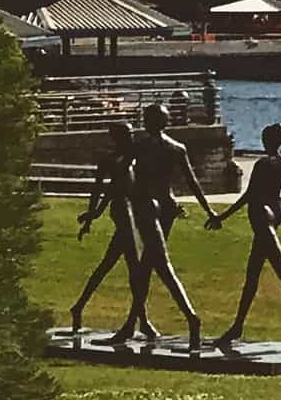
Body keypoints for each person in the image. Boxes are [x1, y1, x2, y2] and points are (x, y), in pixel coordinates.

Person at [110, 102, 223, 348]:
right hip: (166, 207)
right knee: (146, 268)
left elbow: (120, 172)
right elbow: (192, 183)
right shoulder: (176, 148)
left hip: (148, 208)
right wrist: (209, 210)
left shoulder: (140, 147)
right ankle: (132, 323)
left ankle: (192, 319)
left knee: (161, 267)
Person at [205, 122, 281, 351]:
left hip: (261, 216)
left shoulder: (263, 164)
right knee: (252, 276)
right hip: (274, 215)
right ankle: (237, 326)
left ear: (268, 141)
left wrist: (222, 216)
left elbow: (249, 195)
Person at [67, 119, 142, 331]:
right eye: (127, 134)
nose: (131, 137)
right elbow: (99, 190)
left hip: (132, 214)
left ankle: (79, 306)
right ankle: (142, 321)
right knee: (135, 267)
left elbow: (113, 188)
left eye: (132, 134)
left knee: (111, 265)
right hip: (123, 214)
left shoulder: (132, 159)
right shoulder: (112, 160)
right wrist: (92, 216)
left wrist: (96, 214)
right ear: (117, 138)